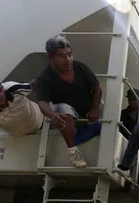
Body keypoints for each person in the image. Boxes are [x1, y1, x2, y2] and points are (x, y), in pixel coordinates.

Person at [35, 36, 103, 168]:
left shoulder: (81, 67)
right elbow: (42, 103)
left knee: (106, 128)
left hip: (86, 116)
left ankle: (77, 136)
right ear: (50, 57)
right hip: (62, 118)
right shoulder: (44, 77)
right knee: (62, 109)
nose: (68, 60)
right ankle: (73, 152)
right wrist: (53, 116)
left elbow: (97, 88)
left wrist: (95, 108)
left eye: (69, 55)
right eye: (61, 56)